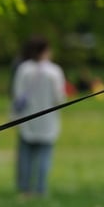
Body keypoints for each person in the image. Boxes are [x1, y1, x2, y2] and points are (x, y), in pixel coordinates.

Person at [11, 36, 67, 196]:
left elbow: (17, 95)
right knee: (44, 157)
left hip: (27, 119)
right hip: (48, 120)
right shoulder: (54, 71)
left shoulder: (24, 69)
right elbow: (59, 98)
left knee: (25, 157)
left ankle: (24, 188)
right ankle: (41, 188)